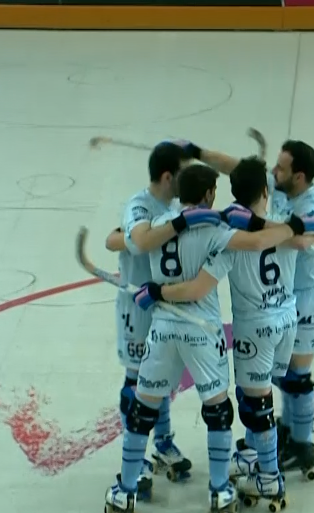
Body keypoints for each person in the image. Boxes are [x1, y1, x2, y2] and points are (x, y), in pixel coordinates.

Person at [104, 163, 314, 513]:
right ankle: (221, 488)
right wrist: (294, 225)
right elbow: (257, 244)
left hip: (164, 327)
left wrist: (156, 290)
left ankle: (125, 490)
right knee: (221, 410)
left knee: (143, 408)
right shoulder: (220, 230)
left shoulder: (157, 225)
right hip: (212, 329)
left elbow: (130, 242)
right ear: (209, 194)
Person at [101, 141, 225, 490]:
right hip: (138, 306)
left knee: (160, 377)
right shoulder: (139, 206)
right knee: (136, 382)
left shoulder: (173, 205)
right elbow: (128, 240)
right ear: (169, 176)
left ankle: (163, 442)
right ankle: (136, 458)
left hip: (165, 307)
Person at [267, 140, 314, 481]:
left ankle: (303, 445)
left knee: (297, 375)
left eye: (280, 167)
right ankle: (290, 430)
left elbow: (306, 239)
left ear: (299, 176)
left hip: (310, 297)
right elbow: (240, 169)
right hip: (285, 294)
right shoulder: (281, 186)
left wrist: (258, 230)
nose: (273, 171)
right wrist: (198, 153)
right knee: (281, 372)